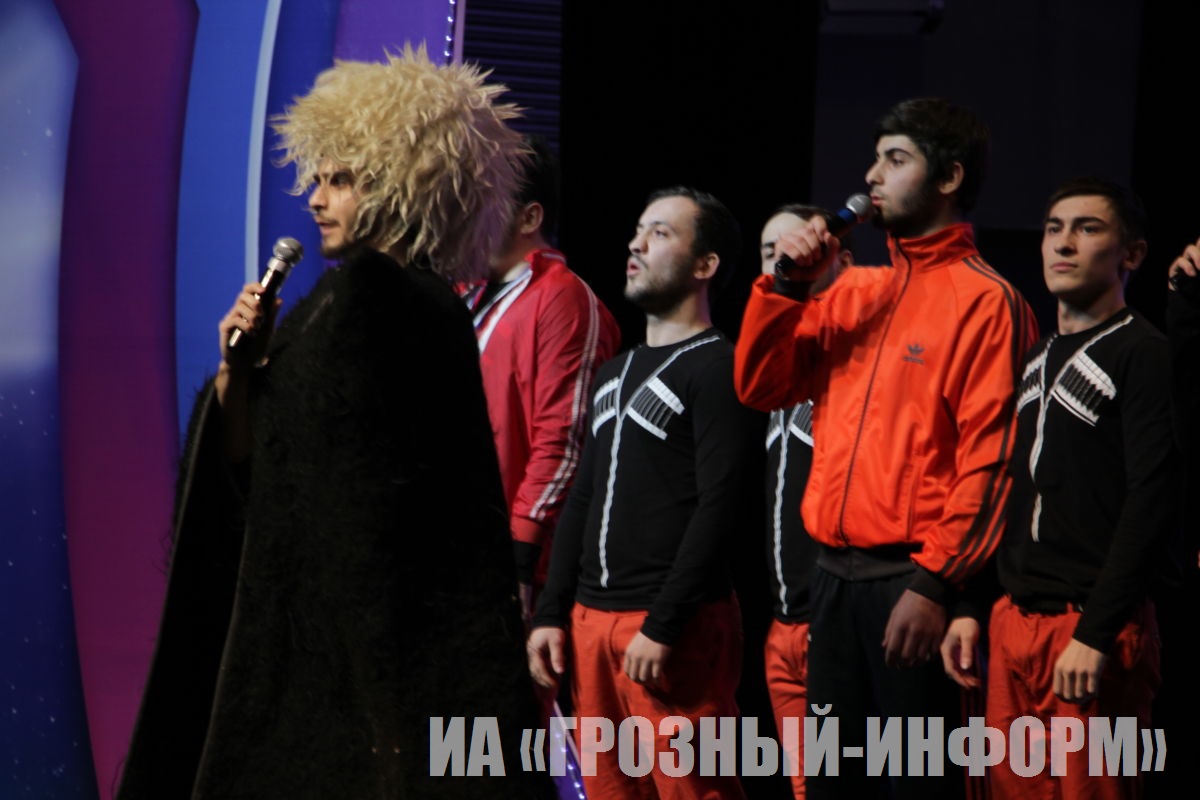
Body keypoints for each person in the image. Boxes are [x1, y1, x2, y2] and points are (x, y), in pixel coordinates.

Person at [116, 49, 552, 799]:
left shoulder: (375, 301)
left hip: (337, 663)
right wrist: (240, 371)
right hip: (388, 653)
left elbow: (304, 485)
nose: (316, 200)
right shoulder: (405, 306)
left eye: (340, 179)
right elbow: (282, 466)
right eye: (317, 179)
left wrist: (246, 382)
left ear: (401, 182)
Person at [734, 97, 1037, 799]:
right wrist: (787, 286)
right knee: (831, 785)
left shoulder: (987, 301)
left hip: (912, 585)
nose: (871, 176)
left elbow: (992, 462)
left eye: (895, 160)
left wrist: (934, 586)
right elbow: (759, 386)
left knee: (914, 784)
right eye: (874, 159)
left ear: (949, 177)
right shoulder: (853, 293)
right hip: (830, 581)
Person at [527, 187, 764, 799]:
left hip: (669, 626)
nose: (636, 244)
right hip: (591, 624)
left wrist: (664, 623)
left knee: (694, 788)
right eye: (638, 230)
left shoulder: (719, 365)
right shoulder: (614, 371)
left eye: (660, 233)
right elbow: (583, 496)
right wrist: (551, 613)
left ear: (705, 264)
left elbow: (722, 506)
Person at [942, 178, 1175, 799]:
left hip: (1091, 629)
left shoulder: (1144, 353)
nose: (1063, 244)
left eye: (1087, 228)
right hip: (1013, 623)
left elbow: (1152, 502)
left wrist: (1096, 632)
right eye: (1054, 229)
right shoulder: (1036, 357)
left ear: (1132, 253)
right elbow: (1010, 491)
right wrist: (969, 605)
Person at [459, 136, 620, 619]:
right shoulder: (466, 293)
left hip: (518, 565)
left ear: (529, 218)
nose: (465, 213)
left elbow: (562, 438)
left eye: (483, 200)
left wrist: (522, 554)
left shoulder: (562, 298)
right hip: (461, 546)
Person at [757, 204, 854, 800]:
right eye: (770, 254)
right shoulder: (776, 370)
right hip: (784, 624)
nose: (782, 261)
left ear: (842, 260)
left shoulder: (856, 361)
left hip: (837, 616)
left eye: (792, 247)